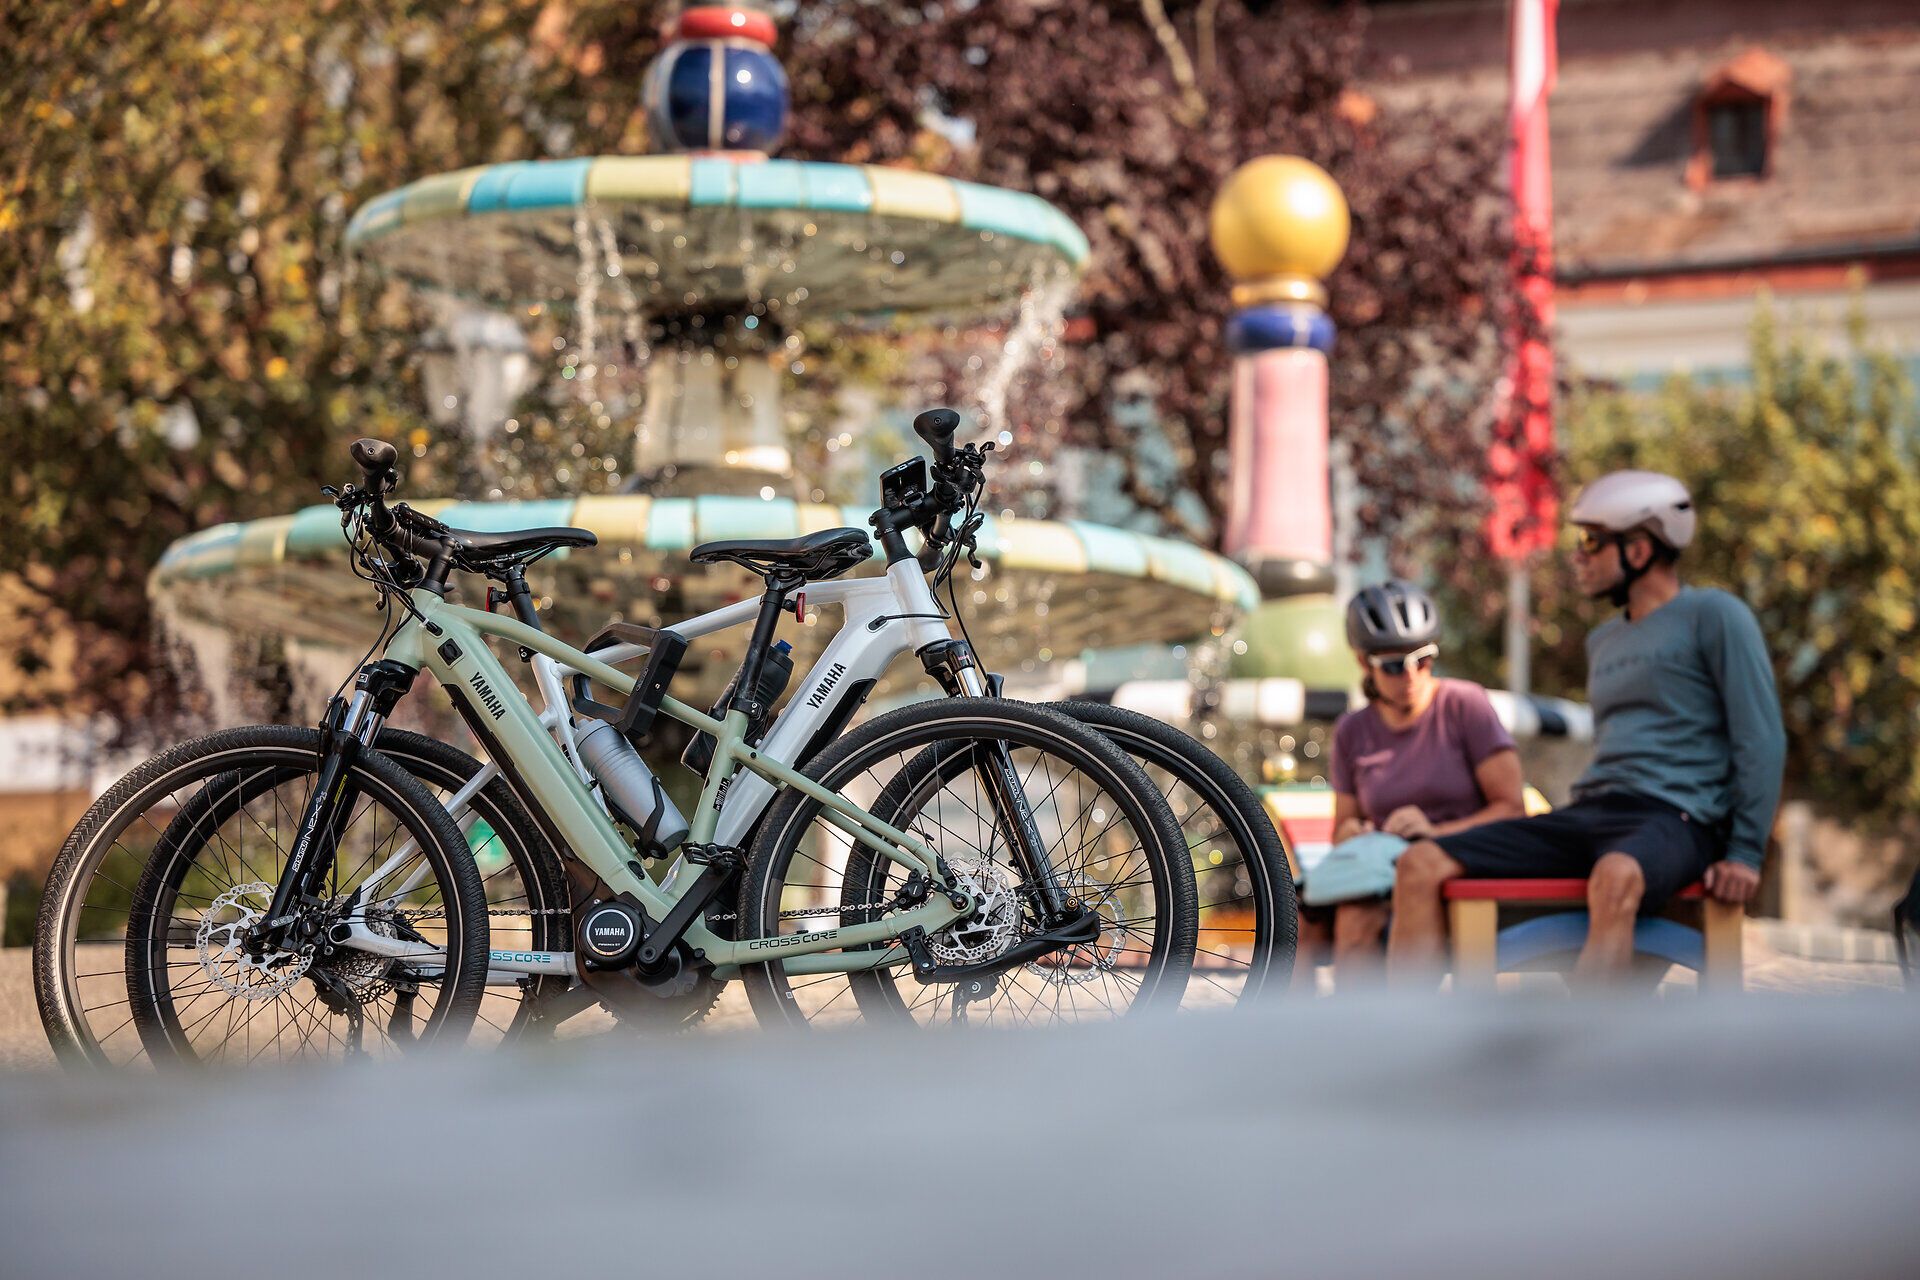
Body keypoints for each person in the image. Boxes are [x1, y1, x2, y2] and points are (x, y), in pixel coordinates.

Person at [1387, 471, 1787, 987]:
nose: (1578, 556)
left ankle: (1585, 1059)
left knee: (1616, 876)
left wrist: (1746, 853)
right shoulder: (1604, 640)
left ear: (1639, 550)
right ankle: (1407, 1049)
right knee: (1419, 862)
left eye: (1591, 542)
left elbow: (1762, 736)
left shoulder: (1714, 615)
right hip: (1592, 813)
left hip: (1677, 818)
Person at [1303, 580, 1526, 982]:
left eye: (1422, 659)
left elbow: (1512, 809)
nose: (1409, 674)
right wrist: (1353, 832)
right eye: (1392, 664)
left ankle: (1392, 1037)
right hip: (1379, 872)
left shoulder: (1465, 705)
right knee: (1296, 919)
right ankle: (1290, 1037)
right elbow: (1342, 828)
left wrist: (1435, 831)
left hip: (1454, 865)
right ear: (1362, 662)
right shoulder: (1352, 730)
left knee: (1357, 920)